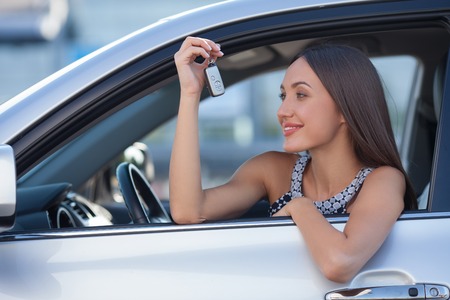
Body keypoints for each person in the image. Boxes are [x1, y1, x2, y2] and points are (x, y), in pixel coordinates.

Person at [169, 36, 417, 283]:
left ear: (345, 108)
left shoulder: (383, 180)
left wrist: (298, 206)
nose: (282, 111)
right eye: (282, 96)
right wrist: (190, 93)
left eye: (300, 95)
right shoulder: (272, 169)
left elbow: (340, 264)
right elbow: (189, 212)